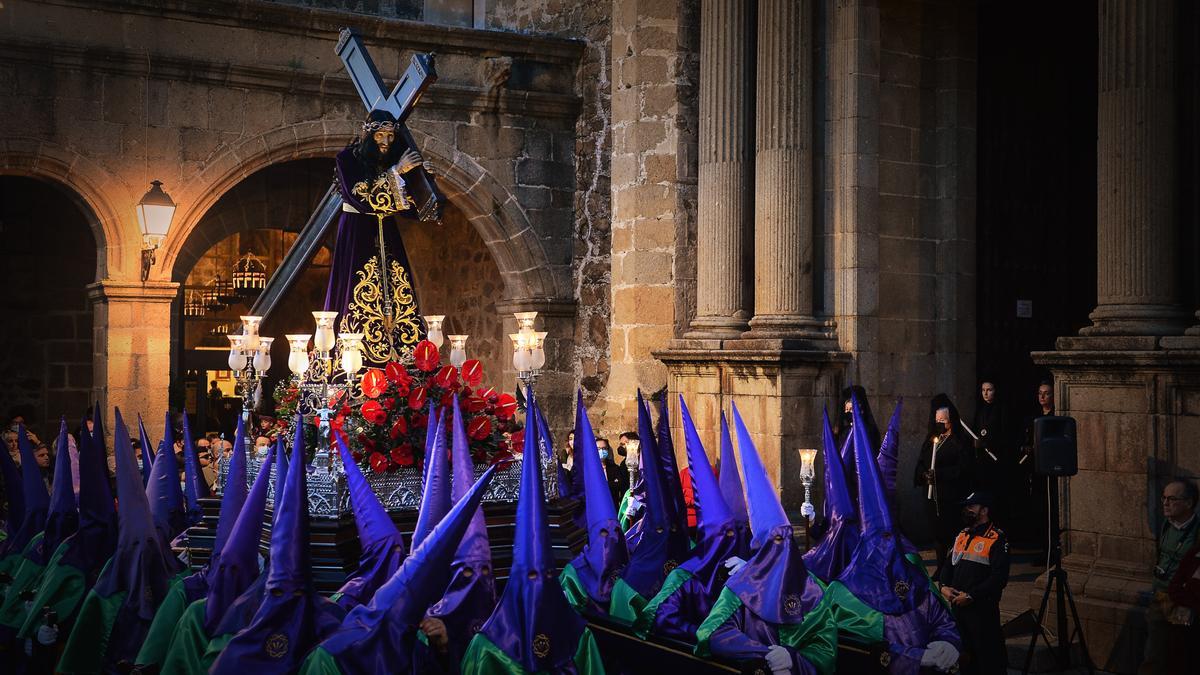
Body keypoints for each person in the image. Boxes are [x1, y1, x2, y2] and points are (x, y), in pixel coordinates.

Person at [324, 109, 431, 367]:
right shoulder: (347, 159)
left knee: (397, 291)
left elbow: (409, 210)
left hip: (388, 236)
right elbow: (360, 198)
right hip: (357, 233)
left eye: (391, 136)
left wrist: (425, 183)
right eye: (380, 135)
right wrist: (397, 172)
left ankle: (407, 362)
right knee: (355, 292)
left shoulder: (390, 163)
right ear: (368, 134)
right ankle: (352, 366)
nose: (385, 142)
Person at [938, 492, 1009, 674]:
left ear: (984, 511)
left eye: (972, 507)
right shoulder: (962, 535)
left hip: (982, 610)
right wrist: (943, 586)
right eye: (966, 507)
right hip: (959, 609)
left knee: (989, 660)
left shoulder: (996, 538)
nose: (967, 510)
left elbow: (999, 578)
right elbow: (948, 565)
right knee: (966, 660)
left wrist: (971, 596)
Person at [1143, 478, 1200, 675]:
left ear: (1189, 503)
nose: (1165, 503)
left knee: (1181, 654)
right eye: (1164, 498)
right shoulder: (1166, 525)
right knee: (1154, 653)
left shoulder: (1196, 531)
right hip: (1160, 595)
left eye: (1172, 499)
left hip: (1184, 601)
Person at [914, 396, 974, 573]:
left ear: (951, 421)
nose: (940, 424)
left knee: (951, 531)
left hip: (950, 494)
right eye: (937, 421)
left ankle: (952, 567)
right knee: (937, 532)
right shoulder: (932, 438)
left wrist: (940, 474)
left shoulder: (959, 441)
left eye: (943, 421)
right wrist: (925, 475)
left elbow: (964, 468)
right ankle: (940, 566)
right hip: (933, 495)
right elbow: (922, 462)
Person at [971, 379, 1013, 519]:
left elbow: (1005, 434)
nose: (986, 393)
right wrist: (976, 443)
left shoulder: (1002, 409)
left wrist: (988, 444)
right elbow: (977, 430)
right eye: (983, 390)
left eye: (989, 390)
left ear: (995, 391)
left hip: (997, 459)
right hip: (983, 460)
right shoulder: (980, 409)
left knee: (997, 492)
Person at [596, 437, 628, 507]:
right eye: (598, 449)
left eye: (604, 448)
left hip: (612, 506)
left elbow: (620, 486)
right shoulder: (588, 469)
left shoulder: (614, 468)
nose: (601, 451)